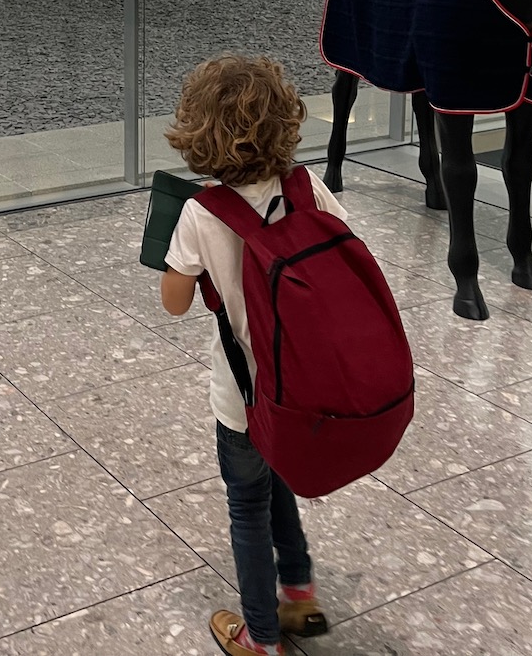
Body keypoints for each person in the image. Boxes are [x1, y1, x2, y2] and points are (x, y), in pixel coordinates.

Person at [159, 54, 345, 656]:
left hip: (243, 399)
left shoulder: (199, 213)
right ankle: (301, 596)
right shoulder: (306, 186)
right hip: (302, 387)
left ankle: (260, 639)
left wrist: (174, 247)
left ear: (198, 132)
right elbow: (346, 253)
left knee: (248, 509)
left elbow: (174, 303)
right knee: (281, 481)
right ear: (284, 122)